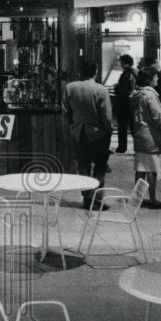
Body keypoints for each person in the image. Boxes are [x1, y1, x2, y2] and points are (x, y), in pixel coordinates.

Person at [63, 60, 113, 209]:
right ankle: (96, 198)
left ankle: (86, 197)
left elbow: (66, 111)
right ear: (96, 72)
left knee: (83, 165)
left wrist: (72, 126)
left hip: (78, 132)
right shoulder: (101, 90)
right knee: (100, 165)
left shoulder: (70, 88)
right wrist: (107, 130)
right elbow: (107, 116)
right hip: (98, 133)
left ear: (80, 72)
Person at [131, 67, 161, 209]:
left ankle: (137, 198)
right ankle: (153, 199)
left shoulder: (137, 95)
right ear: (149, 78)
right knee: (153, 170)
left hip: (140, 134)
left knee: (141, 169)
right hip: (152, 136)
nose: (157, 79)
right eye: (155, 77)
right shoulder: (151, 96)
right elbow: (158, 118)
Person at [113, 54, 137, 153]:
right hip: (132, 102)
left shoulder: (126, 74)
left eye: (121, 61)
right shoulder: (134, 72)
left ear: (125, 62)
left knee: (122, 126)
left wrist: (116, 88)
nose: (120, 63)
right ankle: (138, 146)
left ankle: (122, 147)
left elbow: (122, 89)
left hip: (124, 103)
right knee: (133, 126)